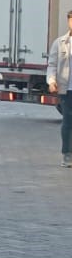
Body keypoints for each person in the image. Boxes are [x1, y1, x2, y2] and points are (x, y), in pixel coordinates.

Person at [50, 11, 72, 166]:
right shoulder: (60, 42)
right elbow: (52, 64)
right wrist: (51, 81)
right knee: (67, 121)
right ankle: (67, 153)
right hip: (66, 90)